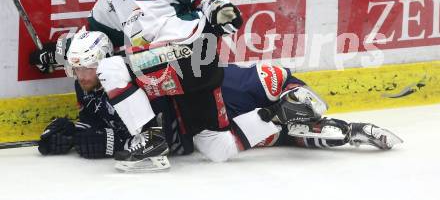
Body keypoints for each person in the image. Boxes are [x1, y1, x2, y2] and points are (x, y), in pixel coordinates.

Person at [31, 0, 326, 170]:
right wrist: (55, 54)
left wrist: (218, 8)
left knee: (111, 68)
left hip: (188, 54)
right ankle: (282, 112)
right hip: (171, 72)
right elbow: (95, 40)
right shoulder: (109, 0)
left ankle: (150, 140)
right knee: (216, 148)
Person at [37, 30, 402, 170]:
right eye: (73, 69)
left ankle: (289, 109)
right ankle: (334, 128)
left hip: (212, 99)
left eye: (83, 68)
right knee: (285, 132)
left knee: (275, 86)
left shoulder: (124, 72)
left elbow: (169, 138)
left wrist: (107, 141)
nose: (79, 77)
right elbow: (103, 118)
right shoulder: (93, 83)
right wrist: (69, 131)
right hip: (210, 123)